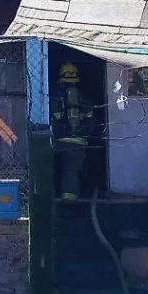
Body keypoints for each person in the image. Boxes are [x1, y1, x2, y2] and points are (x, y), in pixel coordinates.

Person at [51, 62, 93, 200]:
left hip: (58, 139)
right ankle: (70, 200)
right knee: (72, 171)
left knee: (56, 169)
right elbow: (90, 116)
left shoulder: (56, 94)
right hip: (79, 140)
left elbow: (54, 115)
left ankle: (54, 196)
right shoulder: (83, 95)